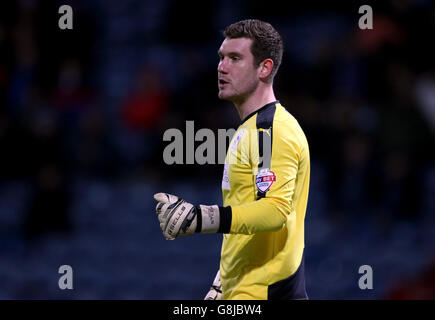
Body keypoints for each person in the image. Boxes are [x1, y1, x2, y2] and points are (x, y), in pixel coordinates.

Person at [153, 19, 310, 300]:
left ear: (265, 68)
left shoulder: (271, 130)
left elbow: (274, 211)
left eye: (235, 58)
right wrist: (221, 284)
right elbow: (246, 221)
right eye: (221, 58)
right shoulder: (249, 129)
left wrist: (200, 217)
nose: (221, 67)